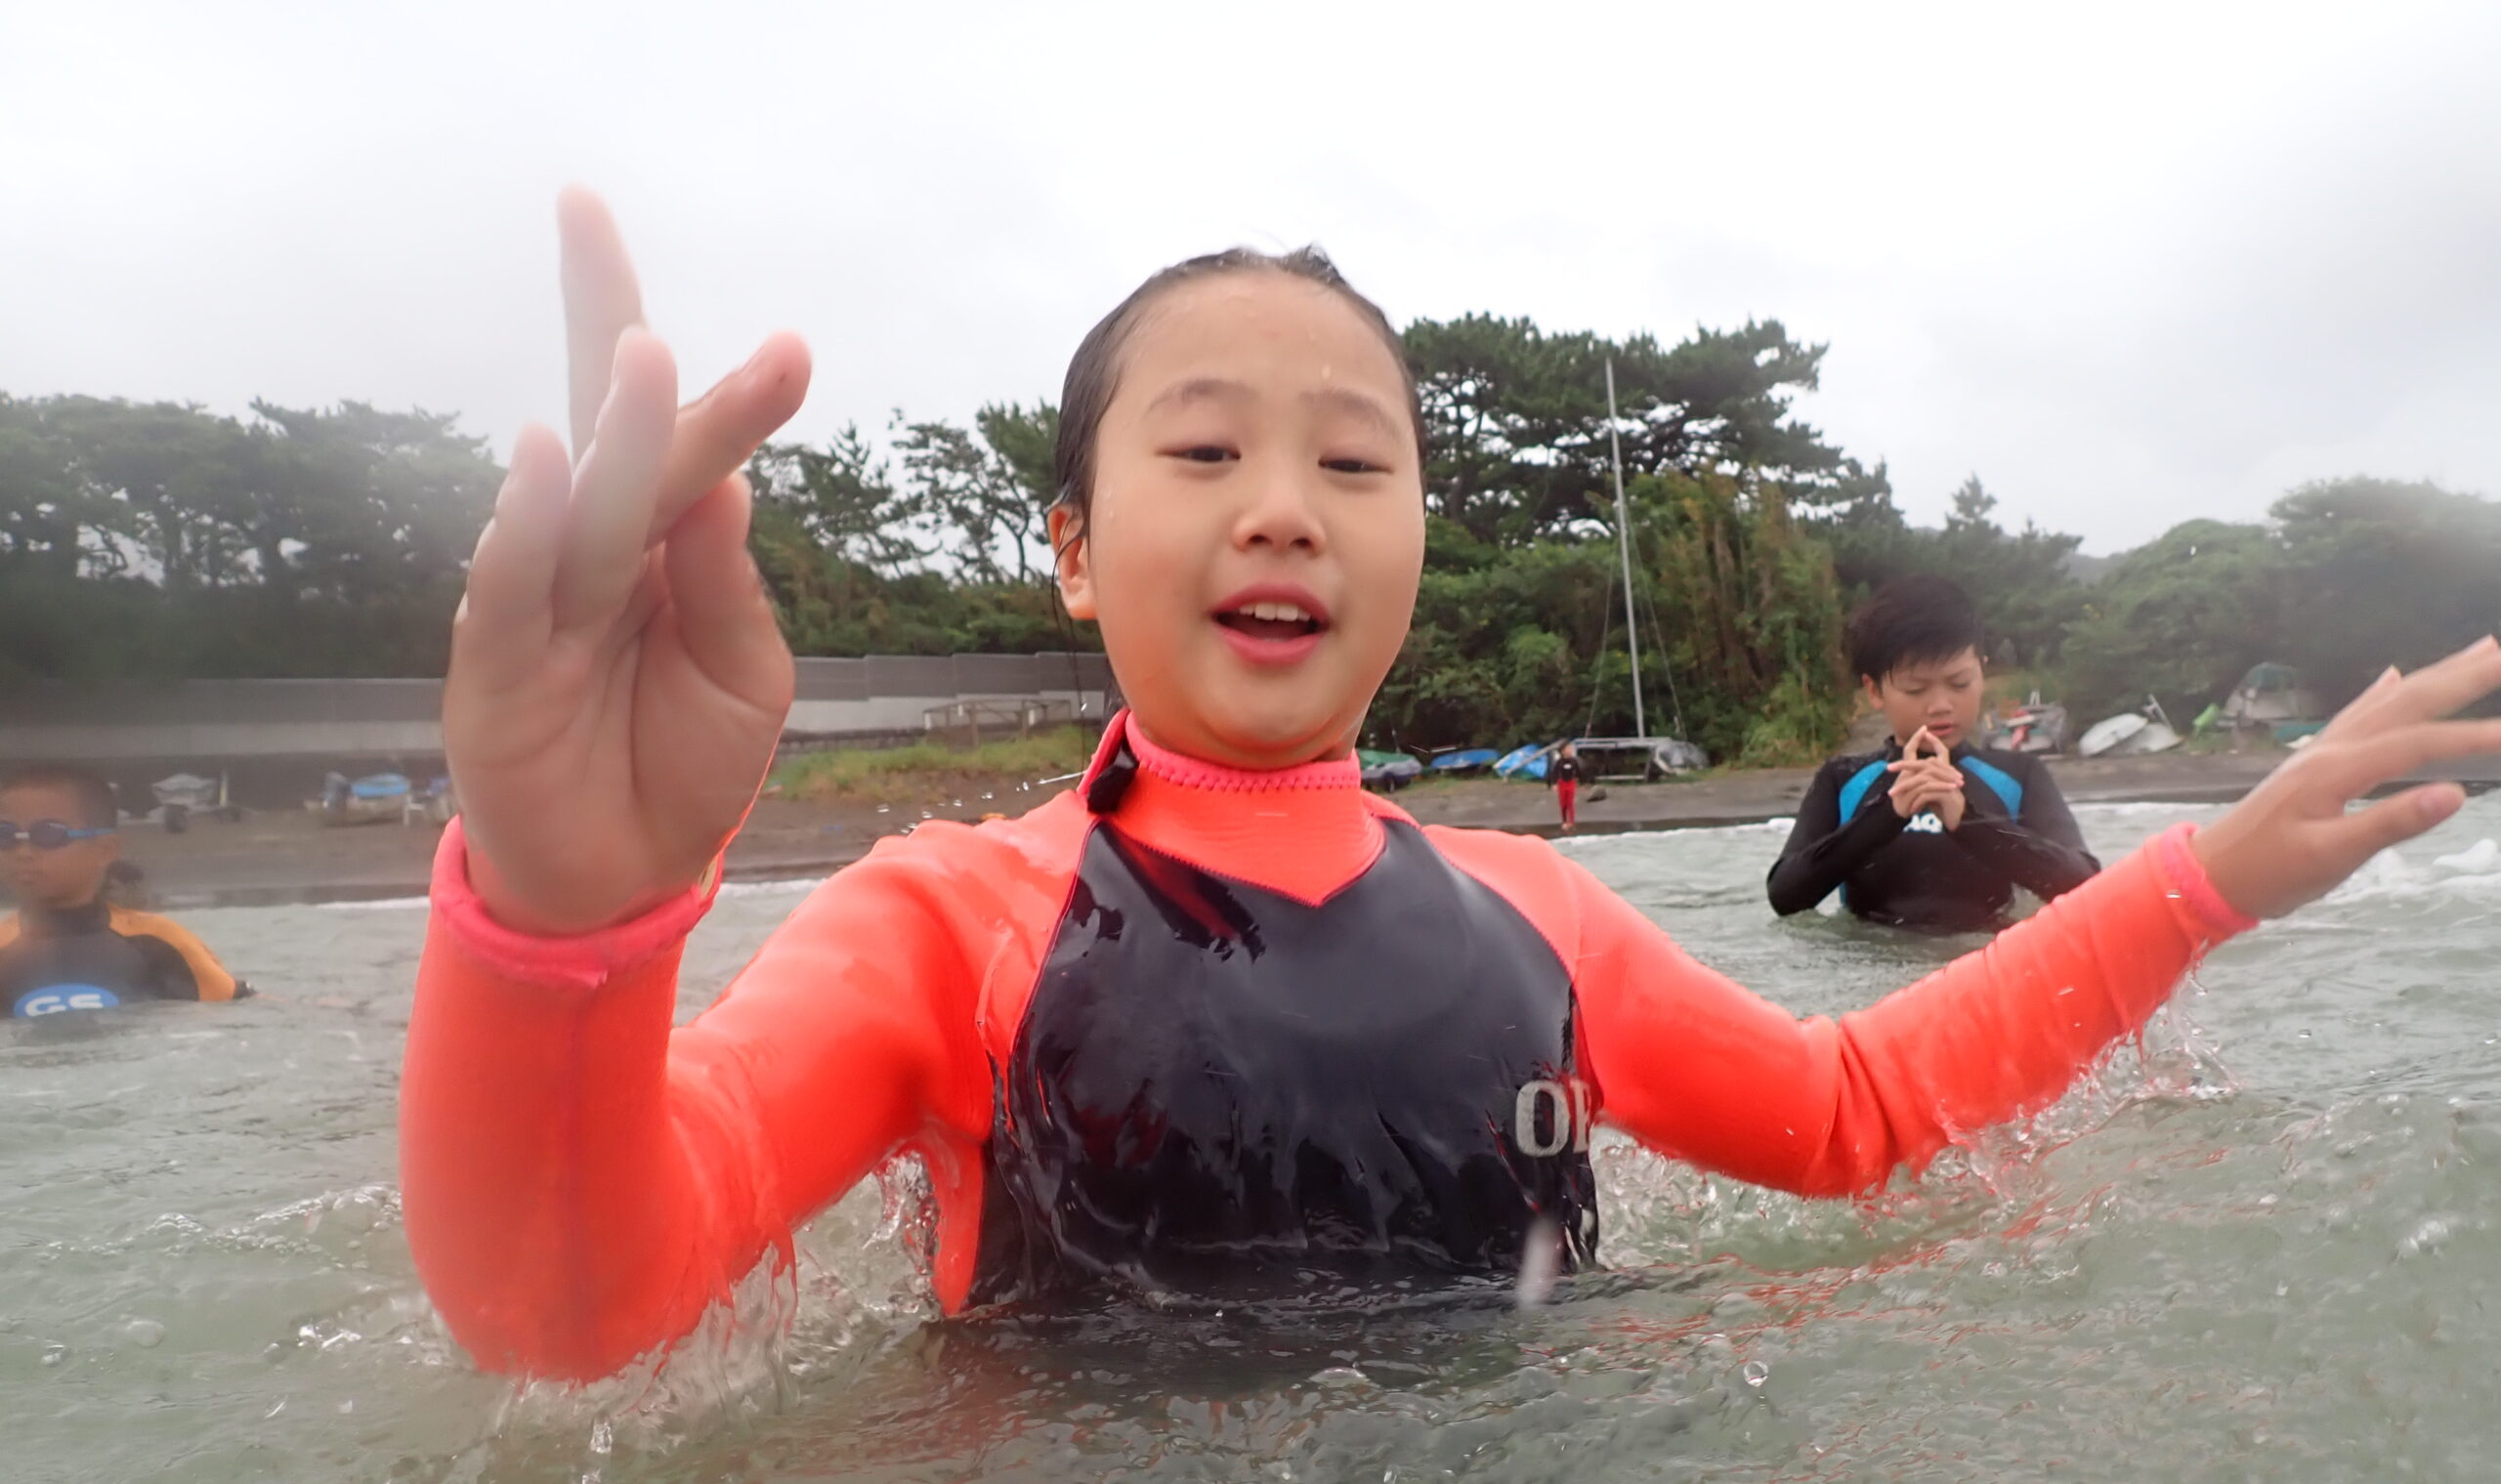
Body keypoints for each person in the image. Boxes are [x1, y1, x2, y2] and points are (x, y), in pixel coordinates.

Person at [399, 191, 2501, 1381]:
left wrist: (2204, 875)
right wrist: (563, 921)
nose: (1283, 507)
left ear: (1413, 530)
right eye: (1204, 452)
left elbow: (1851, 1116)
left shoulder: (1539, 916)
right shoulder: (939, 923)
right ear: (1072, 546)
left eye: (1353, 460)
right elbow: (567, 1310)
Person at [1766, 576, 2096, 932]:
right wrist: (1887, 814)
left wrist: (1967, 821)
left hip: (1989, 956)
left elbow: (2085, 885)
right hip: (1873, 958)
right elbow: (1785, 896)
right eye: (1916, 689)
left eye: (1959, 683)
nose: (1941, 705)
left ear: (1981, 672)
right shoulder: (1843, 779)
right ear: (1875, 691)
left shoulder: (2020, 775)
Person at [0, 763, 248, 1018]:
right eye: (5, 835)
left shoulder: (160, 942)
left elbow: (239, 1013)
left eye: (48, 835)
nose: (23, 853)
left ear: (105, 850)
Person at [1548, 742, 1583, 832]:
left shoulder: (1573, 761)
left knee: (1570, 803)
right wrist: (1554, 784)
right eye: (1568, 749)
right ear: (1563, 751)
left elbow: (1579, 771)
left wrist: (1581, 782)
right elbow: (1555, 773)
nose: (1570, 750)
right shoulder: (1559, 762)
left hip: (1571, 783)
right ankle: (1564, 821)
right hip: (1562, 783)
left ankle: (1571, 822)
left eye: (1570, 749)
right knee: (1563, 804)